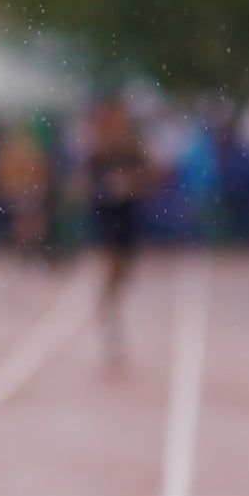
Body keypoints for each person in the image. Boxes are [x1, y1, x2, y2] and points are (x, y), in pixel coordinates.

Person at [82, 96, 156, 365]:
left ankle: (110, 308)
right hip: (107, 216)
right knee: (112, 268)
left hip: (130, 216)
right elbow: (84, 183)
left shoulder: (133, 148)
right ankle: (110, 319)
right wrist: (106, 189)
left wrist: (130, 184)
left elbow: (151, 176)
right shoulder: (99, 151)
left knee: (126, 271)